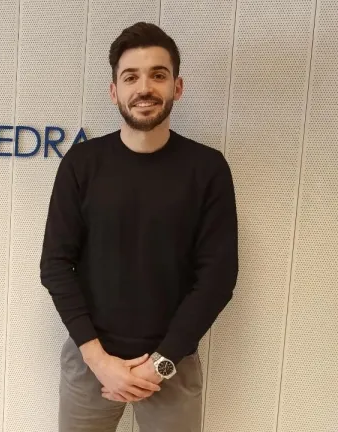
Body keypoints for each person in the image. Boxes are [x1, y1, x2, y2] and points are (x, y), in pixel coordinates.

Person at [39, 22, 238, 432]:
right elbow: (55, 265)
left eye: (157, 75)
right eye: (130, 77)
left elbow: (217, 278)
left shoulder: (207, 169)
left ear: (177, 87)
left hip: (173, 364)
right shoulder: (81, 165)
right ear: (114, 91)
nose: (144, 88)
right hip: (90, 362)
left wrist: (160, 364)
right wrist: (99, 361)